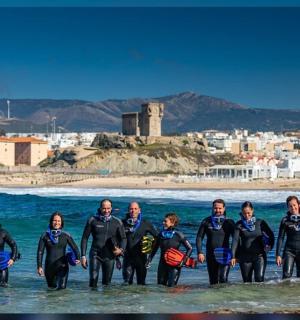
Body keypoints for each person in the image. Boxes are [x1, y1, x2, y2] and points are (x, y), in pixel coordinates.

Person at [81, 199, 127, 287]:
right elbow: (85, 238)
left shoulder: (117, 222)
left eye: (108, 208)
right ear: (100, 208)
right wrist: (83, 256)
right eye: (104, 208)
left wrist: (121, 250)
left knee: (107, 283)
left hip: (110, 256)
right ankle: (93, 300)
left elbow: (123, 238)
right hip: (95, 254)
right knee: (93, 280)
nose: (106, 211)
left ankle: (106, 301)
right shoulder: (92, 220)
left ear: (111, 208)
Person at [231, 201, 274, 283]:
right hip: (244, 258)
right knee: (247, 282)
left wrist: (269, 246)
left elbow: (271, 235)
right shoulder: (239, 225)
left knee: (259, 279)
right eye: (244, 213)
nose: (247, 216)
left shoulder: (260, 223)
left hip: (259, 256)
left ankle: (260, 296)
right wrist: (233, 256)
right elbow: (235, 241)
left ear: (252, 211)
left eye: (248, 213)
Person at [37, 212, 81, 289]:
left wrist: (78, 258)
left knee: (62, 288)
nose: (56, 223)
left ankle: (61, 301)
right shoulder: (45, 236)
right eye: (55, 220)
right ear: (51, 222)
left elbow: (75, 248)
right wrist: (39, 266)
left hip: (62, 266)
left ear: (61, 223)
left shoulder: (66, 235)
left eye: (59, 221)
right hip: (49, 267)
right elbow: (40, 252)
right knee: (51, 289)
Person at [196, 199, 235, 285]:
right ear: (212, 208)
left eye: (220, 208)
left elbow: (236, 239)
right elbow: (199, 237)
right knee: (213, 281)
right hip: (211, 255)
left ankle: (225, 297)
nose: (217, 210)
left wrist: (234, 255)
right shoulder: (206, 221)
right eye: (215, 208)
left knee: (223, 279)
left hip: (225, 255)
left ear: (224, 208)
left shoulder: (229, 222)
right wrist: (200, 252)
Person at [147, 213, 192, 287]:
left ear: (172, 222)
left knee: (172, 289)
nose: (163, 223)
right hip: (162, 265)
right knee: (160, 287)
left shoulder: (179, 235)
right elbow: (154, 248)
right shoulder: (160, 235)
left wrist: (183, 261)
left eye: (165, 221)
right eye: (163, 221)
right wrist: (149, 260)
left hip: (174, 266)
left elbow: (190, 248)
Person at [122, 201, 158, 285]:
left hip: (141, 259)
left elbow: (158, 238)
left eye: (135, 209)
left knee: (141, 284)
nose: (133, 211)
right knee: (126, 284)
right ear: (128, 210)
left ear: (139, 210)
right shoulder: (122, 223)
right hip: (128, 258)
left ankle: (140, 298)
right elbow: (115, 238)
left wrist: (150, 252)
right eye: (131, 209)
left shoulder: (146, 223)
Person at [276, 195, 300, 279]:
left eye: (294, 205)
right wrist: (278, 255)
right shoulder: (285, 220)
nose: (293, 207)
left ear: (298, 205)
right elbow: (280, 238)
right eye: (290, 206)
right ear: (288, 208)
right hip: (289, 252)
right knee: (286, 277)